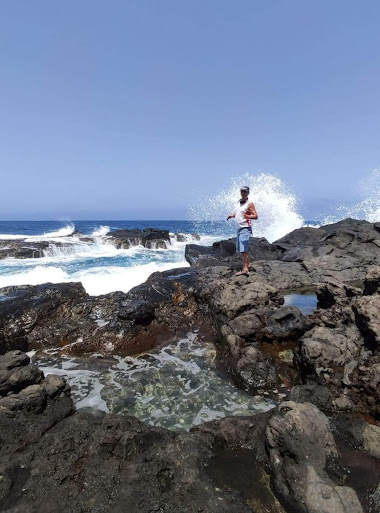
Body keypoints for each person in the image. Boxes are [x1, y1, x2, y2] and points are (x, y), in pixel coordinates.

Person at [226, 186, 258, 276]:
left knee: (243, 250)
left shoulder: (249, 204)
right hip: (239, 228)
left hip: (245, 228)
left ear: (248, 193)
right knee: (241, 250)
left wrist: (248, 216)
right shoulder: (239, 202)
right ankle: (248, 265)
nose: (243, 193)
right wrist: (232, 215)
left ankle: (245, 269)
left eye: (245, 192)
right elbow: (239, 212)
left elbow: (255, 216)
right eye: (242, 191)